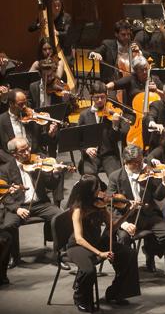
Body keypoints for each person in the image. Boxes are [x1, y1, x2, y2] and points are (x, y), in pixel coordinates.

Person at [66, 175, 139, 311]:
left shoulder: (100, 205)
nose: (101, 192)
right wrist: (100, 253)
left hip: (96, 242)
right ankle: (80, 297)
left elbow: (113, 227)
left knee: (129, 254)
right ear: (88, 191)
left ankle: (116, 292)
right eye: (97, 189)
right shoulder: (78, 209)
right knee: (88, 270)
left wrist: (129, 212)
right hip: (78, 246)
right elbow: (79, 239)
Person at [108, 145, 165, 272]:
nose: (141, 165)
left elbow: (158, 196)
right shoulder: (115, 177)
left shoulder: (147, 173)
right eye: (136, 163)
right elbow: (108, 206)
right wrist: (124, 224)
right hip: (127, 217)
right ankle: (126, 270)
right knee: (123, 238)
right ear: (126, 162)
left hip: (148, 215)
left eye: (142, 161)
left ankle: (150, 252)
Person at [0, 137, 63, 268]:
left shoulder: (37, 163)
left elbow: (51, 185)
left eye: (28, 148)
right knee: (8, 225)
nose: (27, 152)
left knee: (60, 217)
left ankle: (59, 256)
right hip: (19, 205)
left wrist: (56, 173)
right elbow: (4, 195)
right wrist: (17, 209)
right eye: (23, 151)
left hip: (40, 204)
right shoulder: (5, 169)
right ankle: (13, 257)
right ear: (14, 154)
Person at [78, 82, 123, 179]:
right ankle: (100, 189)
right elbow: (78, 138)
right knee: (89, 176)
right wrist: (86, 149)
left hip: (109, 155)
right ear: (91, 96)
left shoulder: (112, 113)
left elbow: (116, 139)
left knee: (116, 177)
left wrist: (115, 125)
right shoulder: (84, 115)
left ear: (106, 96)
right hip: (91, 156)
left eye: (103, 97)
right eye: (96, 97)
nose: (100, 100)